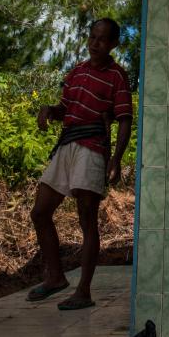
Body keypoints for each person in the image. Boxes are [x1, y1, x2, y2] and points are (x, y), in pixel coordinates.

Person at [27, 18, 133, 310]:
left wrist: (116, 158)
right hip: (66, 144)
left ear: (113, 44)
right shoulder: (76, 72)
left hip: (93, 147)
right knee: (40, 212)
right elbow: (66, 109)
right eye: (92, 37)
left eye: (102, 39)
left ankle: (83, 291)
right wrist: (49, 110)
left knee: (86, 218)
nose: (95, 43)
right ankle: (56, 277)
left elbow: (125, 120)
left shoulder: (117, 77)